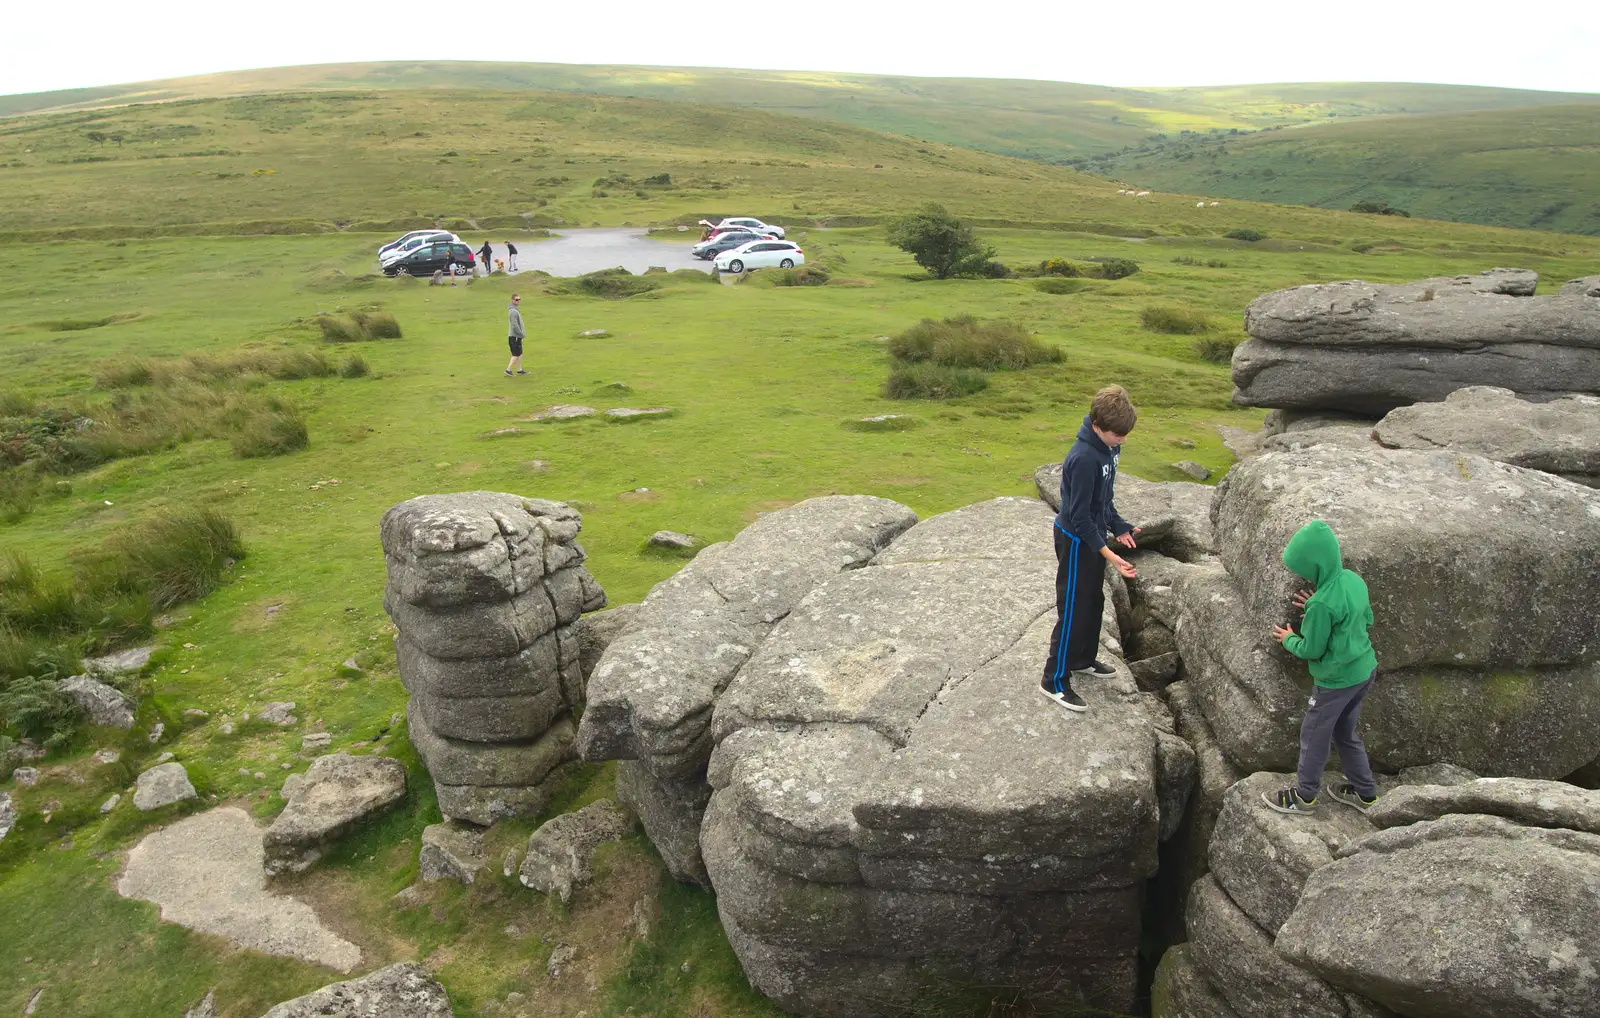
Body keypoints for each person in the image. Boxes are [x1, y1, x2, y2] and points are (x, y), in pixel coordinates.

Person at [1263, 520, 1381, 815]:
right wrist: (1319, 604)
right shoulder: (1353, 580)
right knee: (1345, 732)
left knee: (1314, 735)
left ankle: (1304, 797)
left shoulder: (1321, 605)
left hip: (1335, 682)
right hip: (1364, 671)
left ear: (1314, 566)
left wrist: (1290, 638)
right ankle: (1365, 794)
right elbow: (1366, 619)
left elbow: (1311, 649)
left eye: (1302, 569)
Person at [1040, 385, 1141, 713]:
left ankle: (1082, 659)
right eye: (1117, 435)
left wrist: (1119, 525)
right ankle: (1053, 679)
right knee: (1072, 608)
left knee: (1093, 602)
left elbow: (1104, 499)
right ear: (1098, 426)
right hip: (1074, 539)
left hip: (1093, 535)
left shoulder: (1110, 447)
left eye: (1126, 435)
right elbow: (1079, 516)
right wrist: (1109, 553)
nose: (1123, 440)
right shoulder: (1083, 458)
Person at [505, 294, 527, 376]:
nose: (518, 301)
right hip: (515, 336)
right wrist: (521, 334)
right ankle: (508, 369)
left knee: (519, 353)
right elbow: (514, 325)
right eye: (516, 299)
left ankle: (519, 369)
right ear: (513, 300)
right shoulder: (513, 311)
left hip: (517, 336)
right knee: (516, 354)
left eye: (519, 299)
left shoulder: (515, 310)